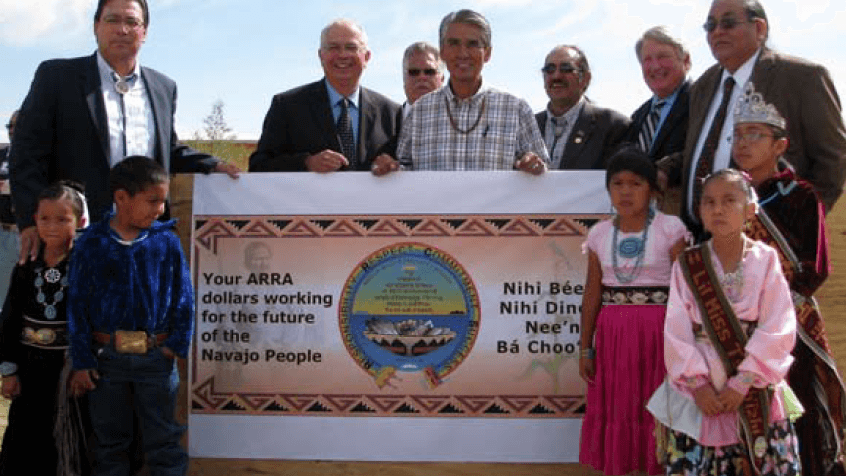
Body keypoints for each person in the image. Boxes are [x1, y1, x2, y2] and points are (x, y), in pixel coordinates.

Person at [10, 0, 240, 265]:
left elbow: (168, 150)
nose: (122, 29)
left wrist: (213, 165)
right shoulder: (57, 77)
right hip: (75, 239)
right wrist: (30, 221)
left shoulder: (163, 87)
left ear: (145, 32)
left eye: (132, 22)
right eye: (112, 20)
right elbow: (26, 155)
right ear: (96, 26)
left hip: (145, 240)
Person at [649, 169, 801, 475]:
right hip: (701, 392)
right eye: (709, 202)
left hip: (754, 386)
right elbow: (677, 331)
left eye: (729, 200)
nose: (717, 209)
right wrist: (699, 386)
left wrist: (743, 382)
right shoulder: (689, 264)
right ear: (700, 210)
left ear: (750, 209)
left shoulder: (766, 259)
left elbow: (778, 324)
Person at [657, 0, 846, 238]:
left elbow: (833, 160)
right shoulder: (703, 86)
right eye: (710, 25)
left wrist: (800, 225)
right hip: (698, 241)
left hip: (769, 245)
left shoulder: (802, 78)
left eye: (728, 23)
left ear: (759, 29)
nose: (717, 32)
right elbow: (704, 150)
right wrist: (663, 169)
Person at [732, 84, 846, 475]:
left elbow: (815, 268)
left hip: (787, 325)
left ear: (780, 145)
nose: (743, 143)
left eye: (755, 134)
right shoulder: (727, 194)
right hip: (735, 323)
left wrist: (772, 312)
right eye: (738, 134)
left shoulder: (799, 194)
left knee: (797, 409)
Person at [67, 156, 193, 476]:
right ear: (121, 197)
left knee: (164, 442)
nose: (160, 209)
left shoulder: (166, 241)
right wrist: (82, 360)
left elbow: (184, 297)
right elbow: (78, 305)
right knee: (110, 445)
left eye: (163, 201)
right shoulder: (92, 244)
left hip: (156, 360)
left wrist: (174, 345)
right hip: (106, 362)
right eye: (152, 201)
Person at [578, 146, 688, 475]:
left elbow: (686, 294)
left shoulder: (671, 229)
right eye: (618, 184)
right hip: (613, 336)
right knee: (621, 405)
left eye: (636, 183)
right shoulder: (598, 234)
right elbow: (592, 292)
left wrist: (686, 345)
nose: (626, 192)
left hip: (660, 334)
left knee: (656, 406)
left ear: (654, 191)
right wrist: (586, 346)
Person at [386, 9, 548, 175]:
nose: (463, 53)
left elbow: (544, 171)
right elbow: (404, 172)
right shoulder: (419, 111)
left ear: (488, 53)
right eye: (454, 43)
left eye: (472, 44)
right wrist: (391, 168)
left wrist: (534, 165)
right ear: (442, 52)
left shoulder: (516, 108)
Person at [0, 181, 89, 475]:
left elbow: (91, 318)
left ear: (81, 221)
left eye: (63, 219)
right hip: (29, 366)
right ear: (34, 220)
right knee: (25, 439)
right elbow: (10, 318)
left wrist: (82, 363)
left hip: (67, 369)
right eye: (44, 218)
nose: (52, 226)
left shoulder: (85, 268)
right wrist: (9, 370)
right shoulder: (25, 266)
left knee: (67, 439)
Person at [249, 19, 400, 174]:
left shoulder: (392, 113)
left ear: (367, 57)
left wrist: (394, 166)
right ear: (321, 55)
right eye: (333, 47)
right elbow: (258, 166)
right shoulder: (287, 106)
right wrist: (306, 163)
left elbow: (407, 166)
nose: (342, 55)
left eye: (351, 47)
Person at [535, 45, 630, 170]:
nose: (556, 76)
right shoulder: (526, 126)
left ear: (585, 78)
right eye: (549, 69)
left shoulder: (613, 126)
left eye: (566, 69)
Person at [623, 27, 691, 163]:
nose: (655, 66)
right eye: (647, 60)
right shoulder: (638, 117)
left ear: (685, 61)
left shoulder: (703, 102)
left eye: (663, 57)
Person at [0, 111, 19, 307]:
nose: (13, 130)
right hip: (3, 232)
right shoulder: (1, 154)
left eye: (18, 125)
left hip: (28, 233)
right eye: (9, 126)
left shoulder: (41, 156)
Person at [401, 41, 445, 115]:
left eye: (429, 72)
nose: (422, 77)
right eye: (414, 72)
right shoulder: (386, 123)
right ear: (404, 78)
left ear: (442, 79)